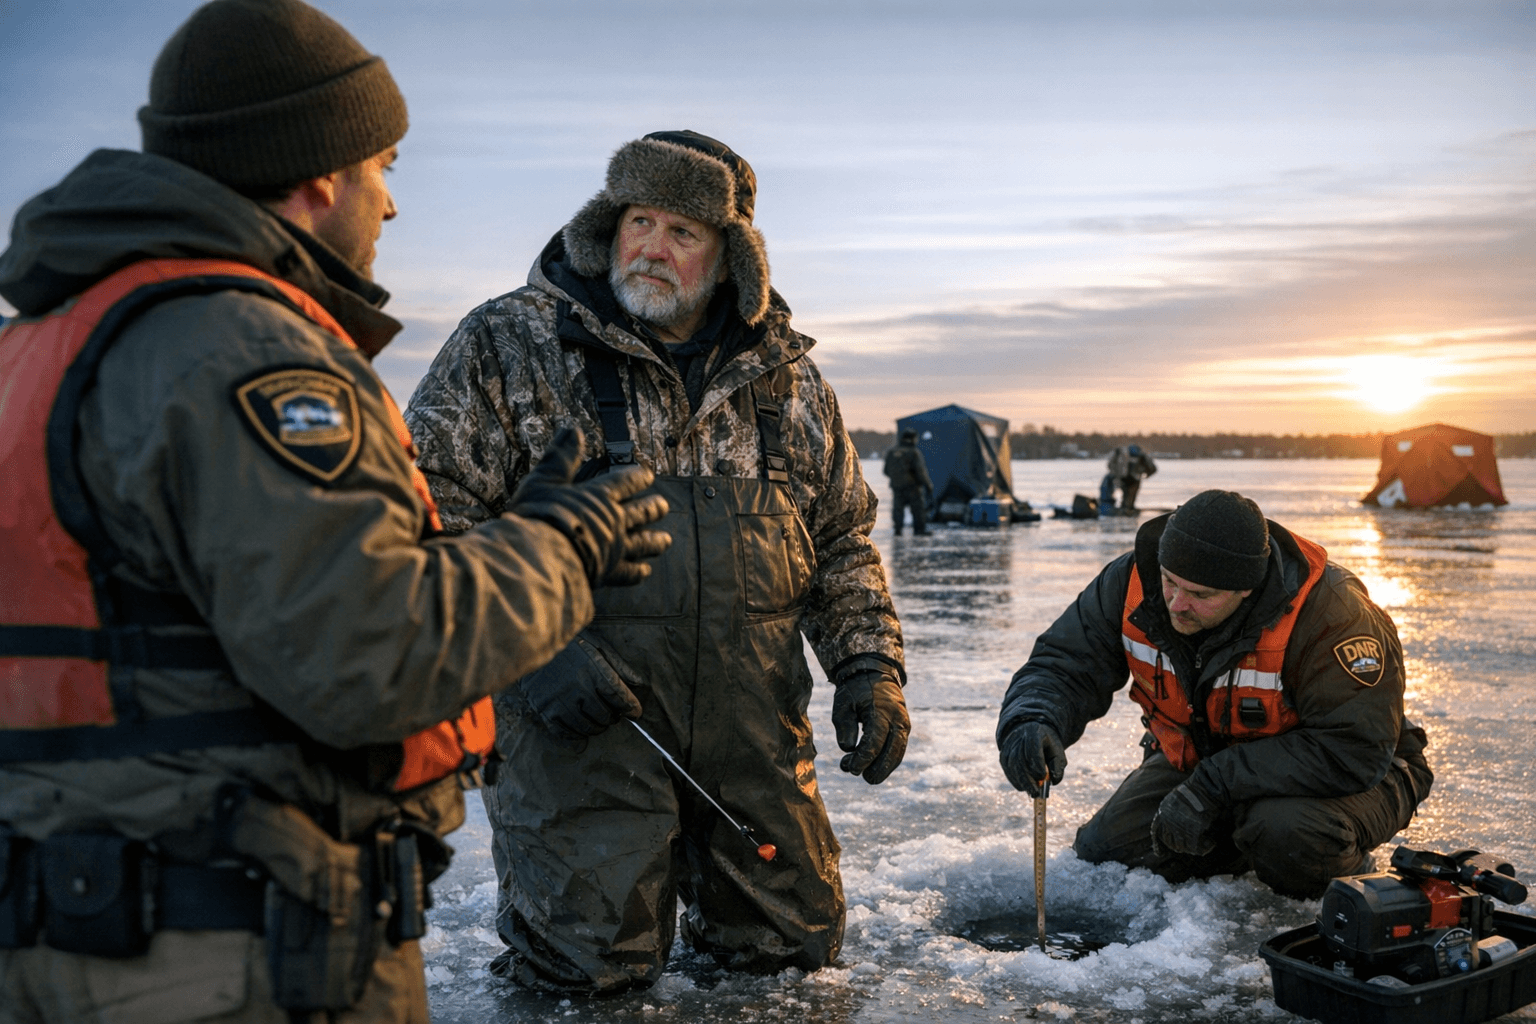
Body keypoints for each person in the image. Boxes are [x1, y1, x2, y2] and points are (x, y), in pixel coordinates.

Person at [0, 2, 669, 1020]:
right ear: (318, 174)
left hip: (64, 918)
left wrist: (492, 540)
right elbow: (370, 655)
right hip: (220, 950)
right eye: (385, 168)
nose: (390, 205)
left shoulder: (40, 345)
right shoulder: (241, 350)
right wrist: (560, 549)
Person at [405, 129, 910, 995]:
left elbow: (839, 538)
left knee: (794, 961)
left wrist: (870, 666)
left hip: (753, 740)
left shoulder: (784, 378)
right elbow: (421, 515)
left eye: (684, 231)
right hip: (581, 732)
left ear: (731, 257)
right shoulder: (509, 344)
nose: (650, 248)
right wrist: (529, 650)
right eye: (639, 219)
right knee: (588, 972)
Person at [996, 490, 1432, 899]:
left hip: (1356, 775)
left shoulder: (1331, 614)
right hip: (1205, 760)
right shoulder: (1131, 583)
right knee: (1106, 853)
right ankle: (1236, 845)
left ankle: (1343, 874)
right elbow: (1064, 663)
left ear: (1246, 589)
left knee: (1288, 835)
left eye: (1200, 594)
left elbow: (1354, 748)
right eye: (1171, 582)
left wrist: (1213, 788)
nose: (1176, 603)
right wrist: (1032, 718)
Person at [883, 428, 934, 535]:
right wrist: (928, 485)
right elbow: (920, 471)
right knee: (917, 509)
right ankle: (919, 530)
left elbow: (886, 471)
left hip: (897, 486)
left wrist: (896, 479)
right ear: (913, 439)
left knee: (898, 509)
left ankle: (898, 529)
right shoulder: (914, 452)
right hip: (913, 486)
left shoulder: (892, 452)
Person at [1101, 443, 1157, 513]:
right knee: (1108, 491)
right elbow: (1110, 464)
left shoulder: (1142, 456)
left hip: (1131, 479)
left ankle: (1127, 508)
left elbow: (1152, 468)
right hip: (1122, 477)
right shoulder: (1120, 453)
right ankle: (1112, 505)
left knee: (1129, 497)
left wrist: (1146, 475)